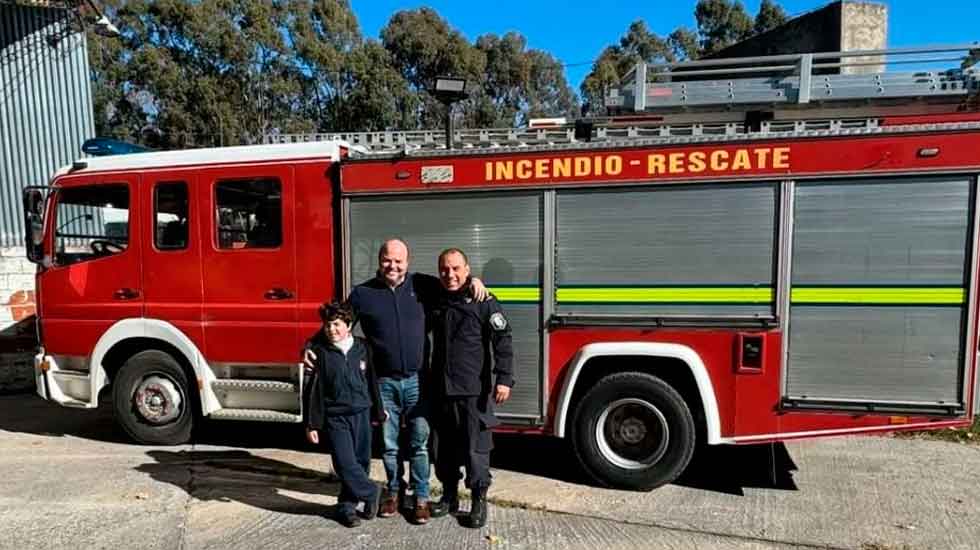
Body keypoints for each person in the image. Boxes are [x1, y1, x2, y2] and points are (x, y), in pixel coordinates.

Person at [305, 239, 487, 525]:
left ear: (408, 261)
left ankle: (421, 497)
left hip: (418, 381)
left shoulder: (423, 286)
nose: (393, 266)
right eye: (388, 260)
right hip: (383, 384)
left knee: (419, 444)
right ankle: (392, 492)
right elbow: (337, 324)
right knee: (389, 446)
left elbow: (453, 282)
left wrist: (474, 280)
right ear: (380, 261)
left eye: (399, 261)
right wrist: (310, 347)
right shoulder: (363, 294)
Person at [427, 248, 514, 529]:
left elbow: (503, 339)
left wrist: (504, 377)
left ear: (467, 269)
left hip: (472, 390)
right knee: (443, 447)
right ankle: (449, 495)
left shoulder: (483, 300)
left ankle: (478, 499)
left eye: (455, 268)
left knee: (476, 447)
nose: (449, 274)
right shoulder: (436, 298)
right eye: (443, 269)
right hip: (441, 388)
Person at [305, 301, 386, 528]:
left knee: (360, 463)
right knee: (343, 463)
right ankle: (372, 492)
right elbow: (313, 390)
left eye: (337, 324)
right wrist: (311, 424)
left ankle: (348, 507)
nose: (332, 330)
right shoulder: (320, 352)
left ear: (349, 325)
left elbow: (372, 381)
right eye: (328, 325)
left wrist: (379, 412)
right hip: (335, 416)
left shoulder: (363, 348)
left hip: (361, 413)